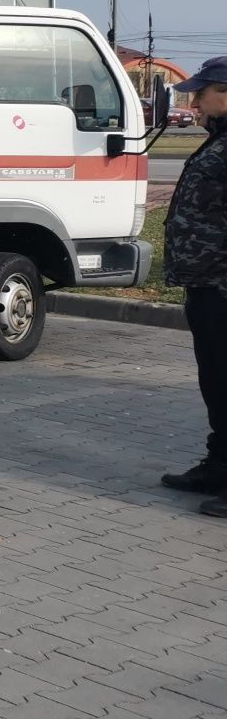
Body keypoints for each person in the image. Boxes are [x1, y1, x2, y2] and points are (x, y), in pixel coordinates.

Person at [158, 56, 227, 514]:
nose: (194, 99)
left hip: (223, 285)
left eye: (202, 92)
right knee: (216, 382)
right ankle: (219, 466)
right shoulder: (217, 142)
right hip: (206, 283)